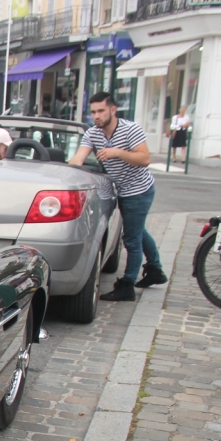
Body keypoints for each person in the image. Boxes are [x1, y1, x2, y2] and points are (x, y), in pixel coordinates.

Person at [70, 91, 166, 301]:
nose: (96, 116)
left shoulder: (130, 129)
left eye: (101, 111)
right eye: (93, 111)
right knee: (137, 230)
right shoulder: (93, 133)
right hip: (122, 189)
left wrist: (117, 152)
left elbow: (145, 158)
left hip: (139, 190)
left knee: (131, 239)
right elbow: (78, 158)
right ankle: (155, 269)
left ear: (113, 110)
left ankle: (127, 285)